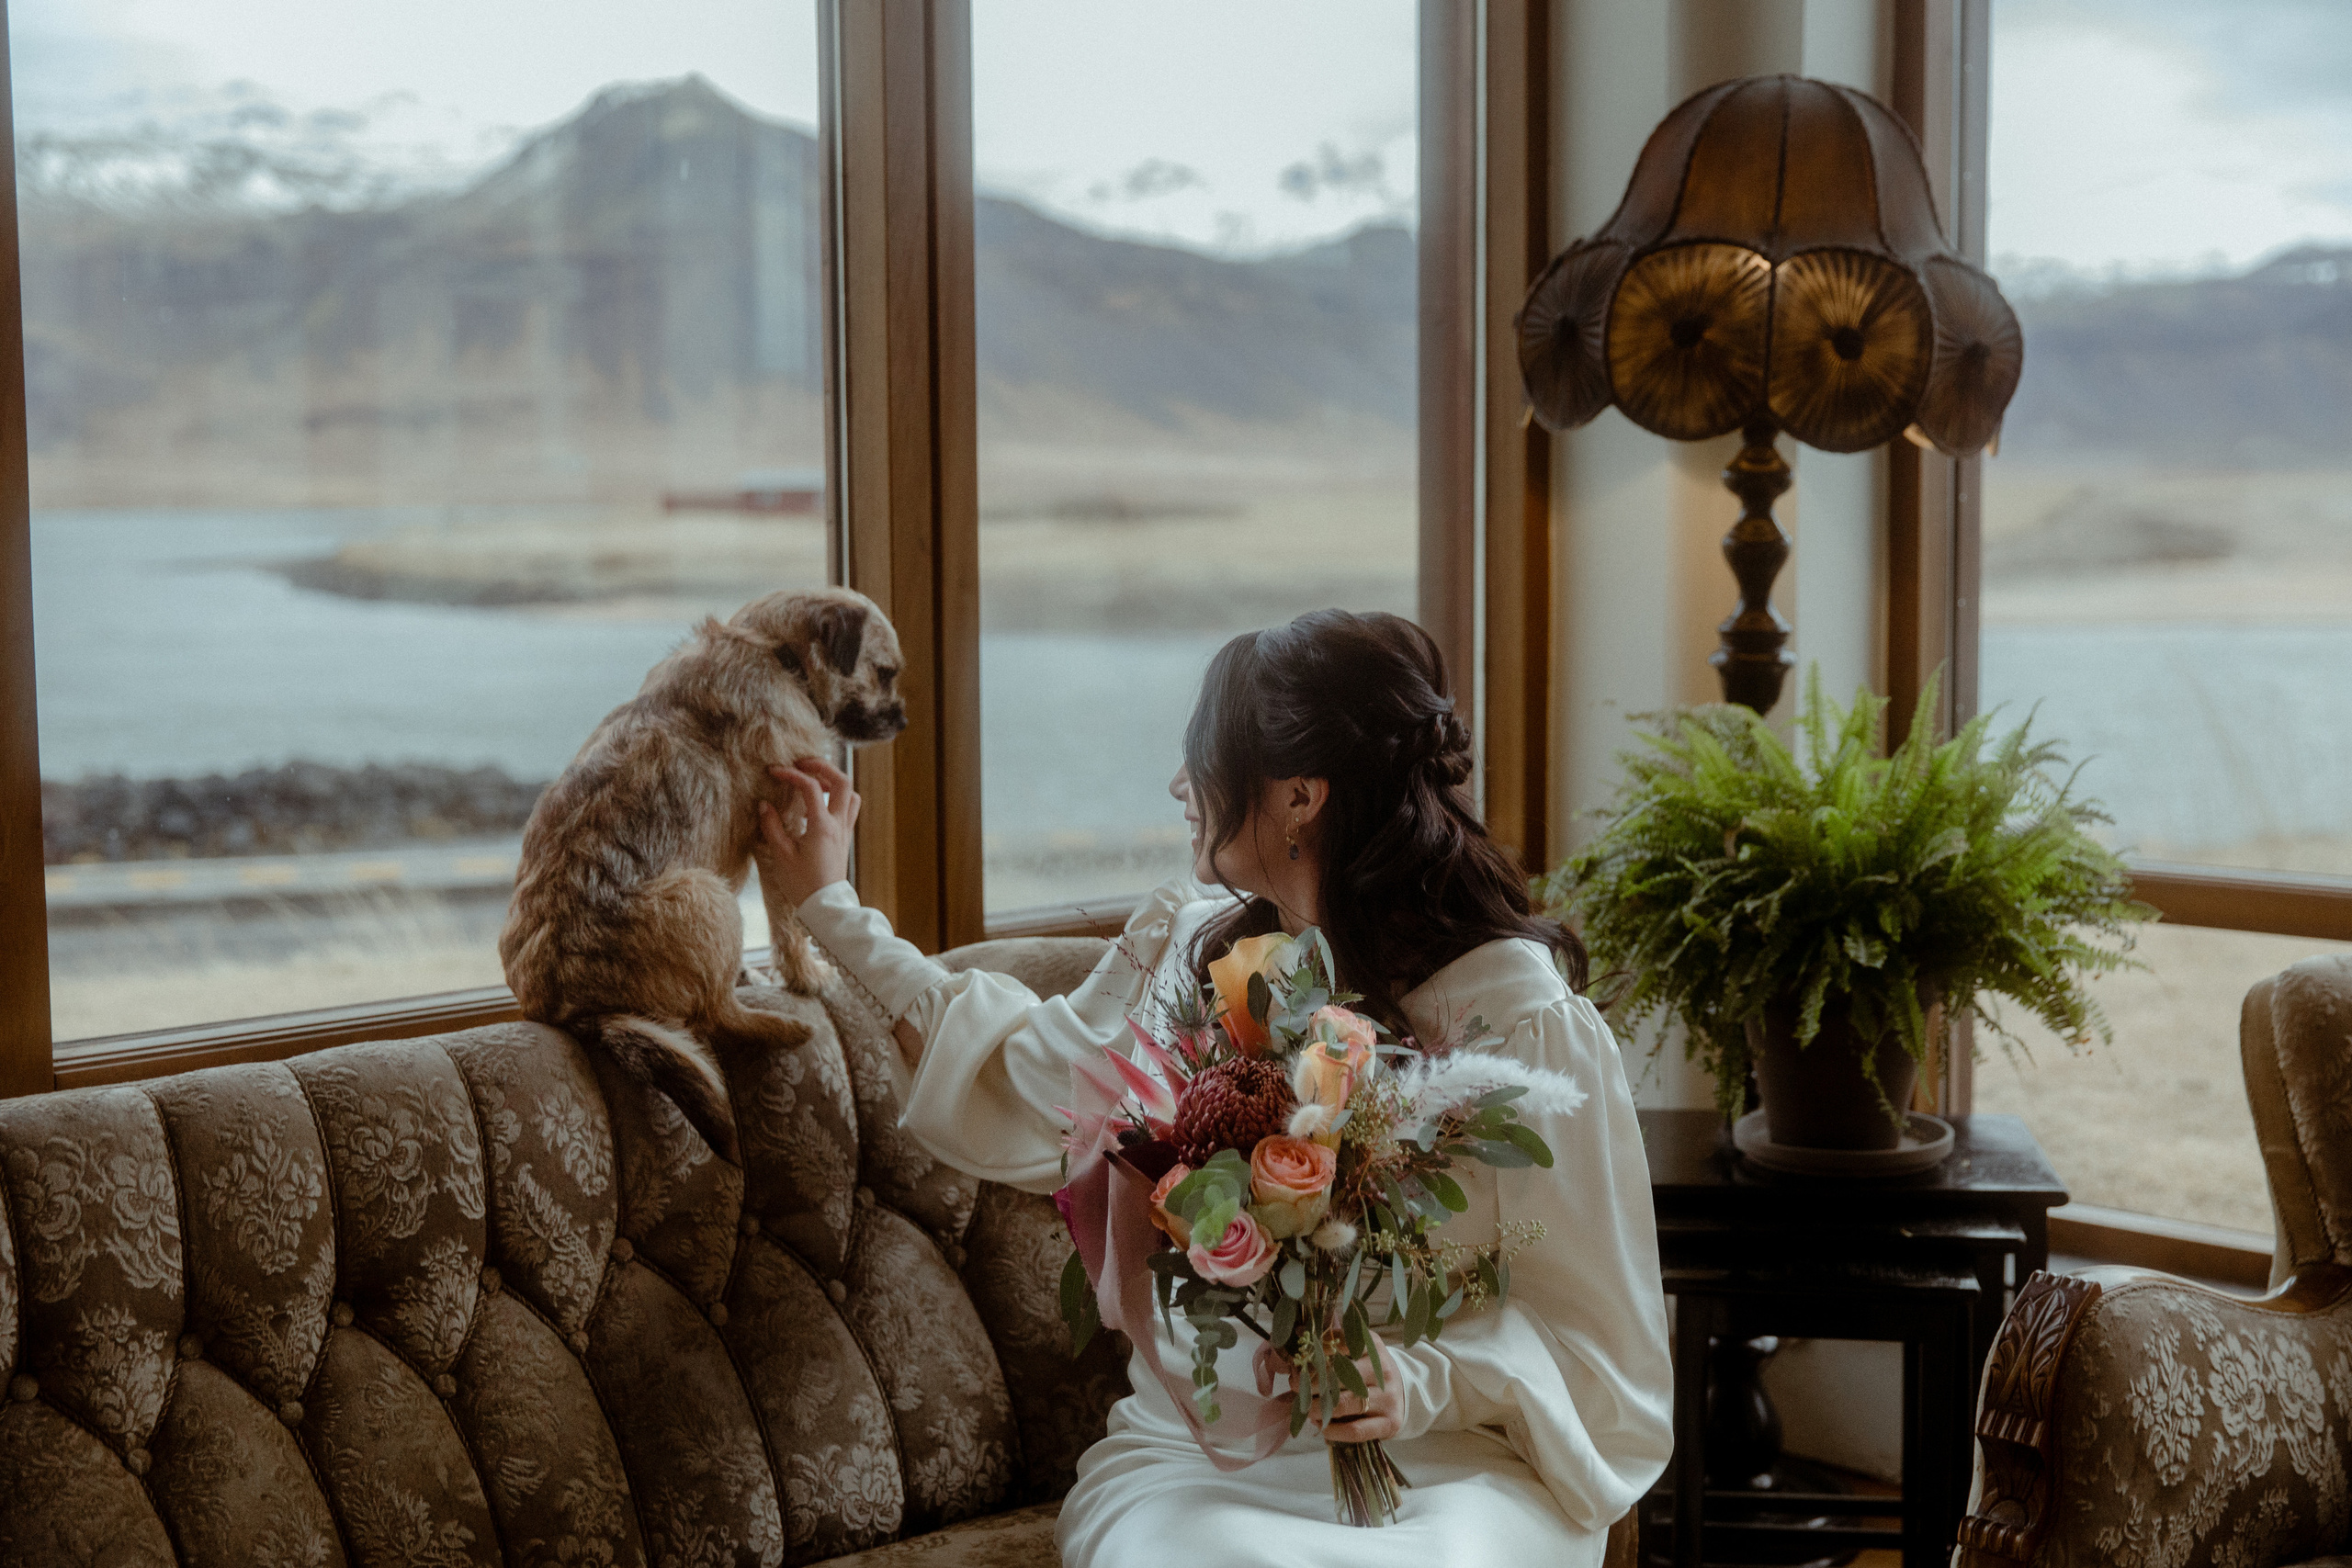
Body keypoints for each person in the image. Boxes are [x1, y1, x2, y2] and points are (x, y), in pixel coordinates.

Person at [755, 609, 1672, 1568]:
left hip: (1456, 1460)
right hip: (1203, 1460)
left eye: (1205, 755)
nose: (1177, 784)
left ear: (1299, 796)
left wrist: (1420, 1378)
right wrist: (830, 905)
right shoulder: (1197, 961)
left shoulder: (1519, 1023)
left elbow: (1592, 1327)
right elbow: (1020, 1080)